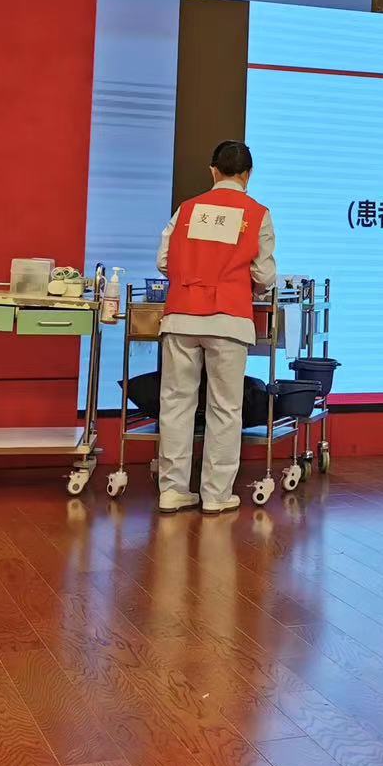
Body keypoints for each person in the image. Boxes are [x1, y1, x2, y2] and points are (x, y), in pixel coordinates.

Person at [155, 140, 276, 515]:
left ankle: (172, 490)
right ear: (248, 175)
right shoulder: (257, 214)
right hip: (229, 319)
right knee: (225, 408)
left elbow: (163, 261)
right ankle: (216, 494)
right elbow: (265, 275)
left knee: (176, 404)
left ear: (213, 170)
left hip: (181, 314)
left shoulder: (187, 209)